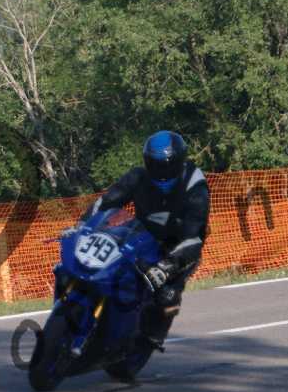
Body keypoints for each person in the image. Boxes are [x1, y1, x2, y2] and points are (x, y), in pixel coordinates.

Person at [82, 130, 210, 349]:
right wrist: (83, 226)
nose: (162, 172)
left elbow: (195, 233)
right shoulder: (138, 177)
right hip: (142, 239)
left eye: (168, 166)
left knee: (167, 295)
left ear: (180, 162)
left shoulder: (194, 185)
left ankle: (152, 337)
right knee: (107, 270)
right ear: (147, 162)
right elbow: (106, 202)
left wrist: (169, 265)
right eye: (156, 165)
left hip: (180, 247)